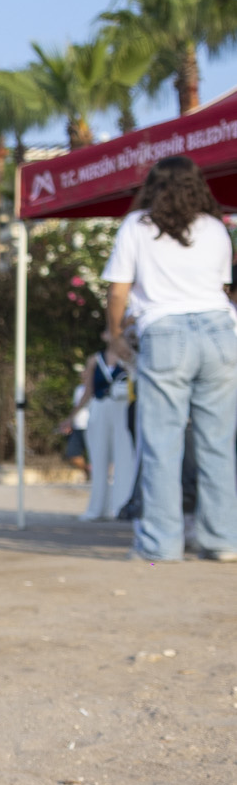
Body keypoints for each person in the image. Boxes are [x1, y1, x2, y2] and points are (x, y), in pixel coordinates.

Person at [106, 155, 237, 562]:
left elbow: (118, 291)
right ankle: (223, 540)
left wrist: (113, 334)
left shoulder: (138, 226)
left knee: (162, 443)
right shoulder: (216, 228)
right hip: (219, 331)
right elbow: (221, 287)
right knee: (217, 443)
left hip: (165, 332)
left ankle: (161, 543)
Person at [77, 347, 135, 521]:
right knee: (98, 458)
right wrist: (72, 415)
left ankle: (120, 506)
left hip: (122, 407)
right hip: (100, 407)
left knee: (125, 459)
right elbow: (88, 388)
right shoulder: (95, 359)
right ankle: (96, 507)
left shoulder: (130, 356)